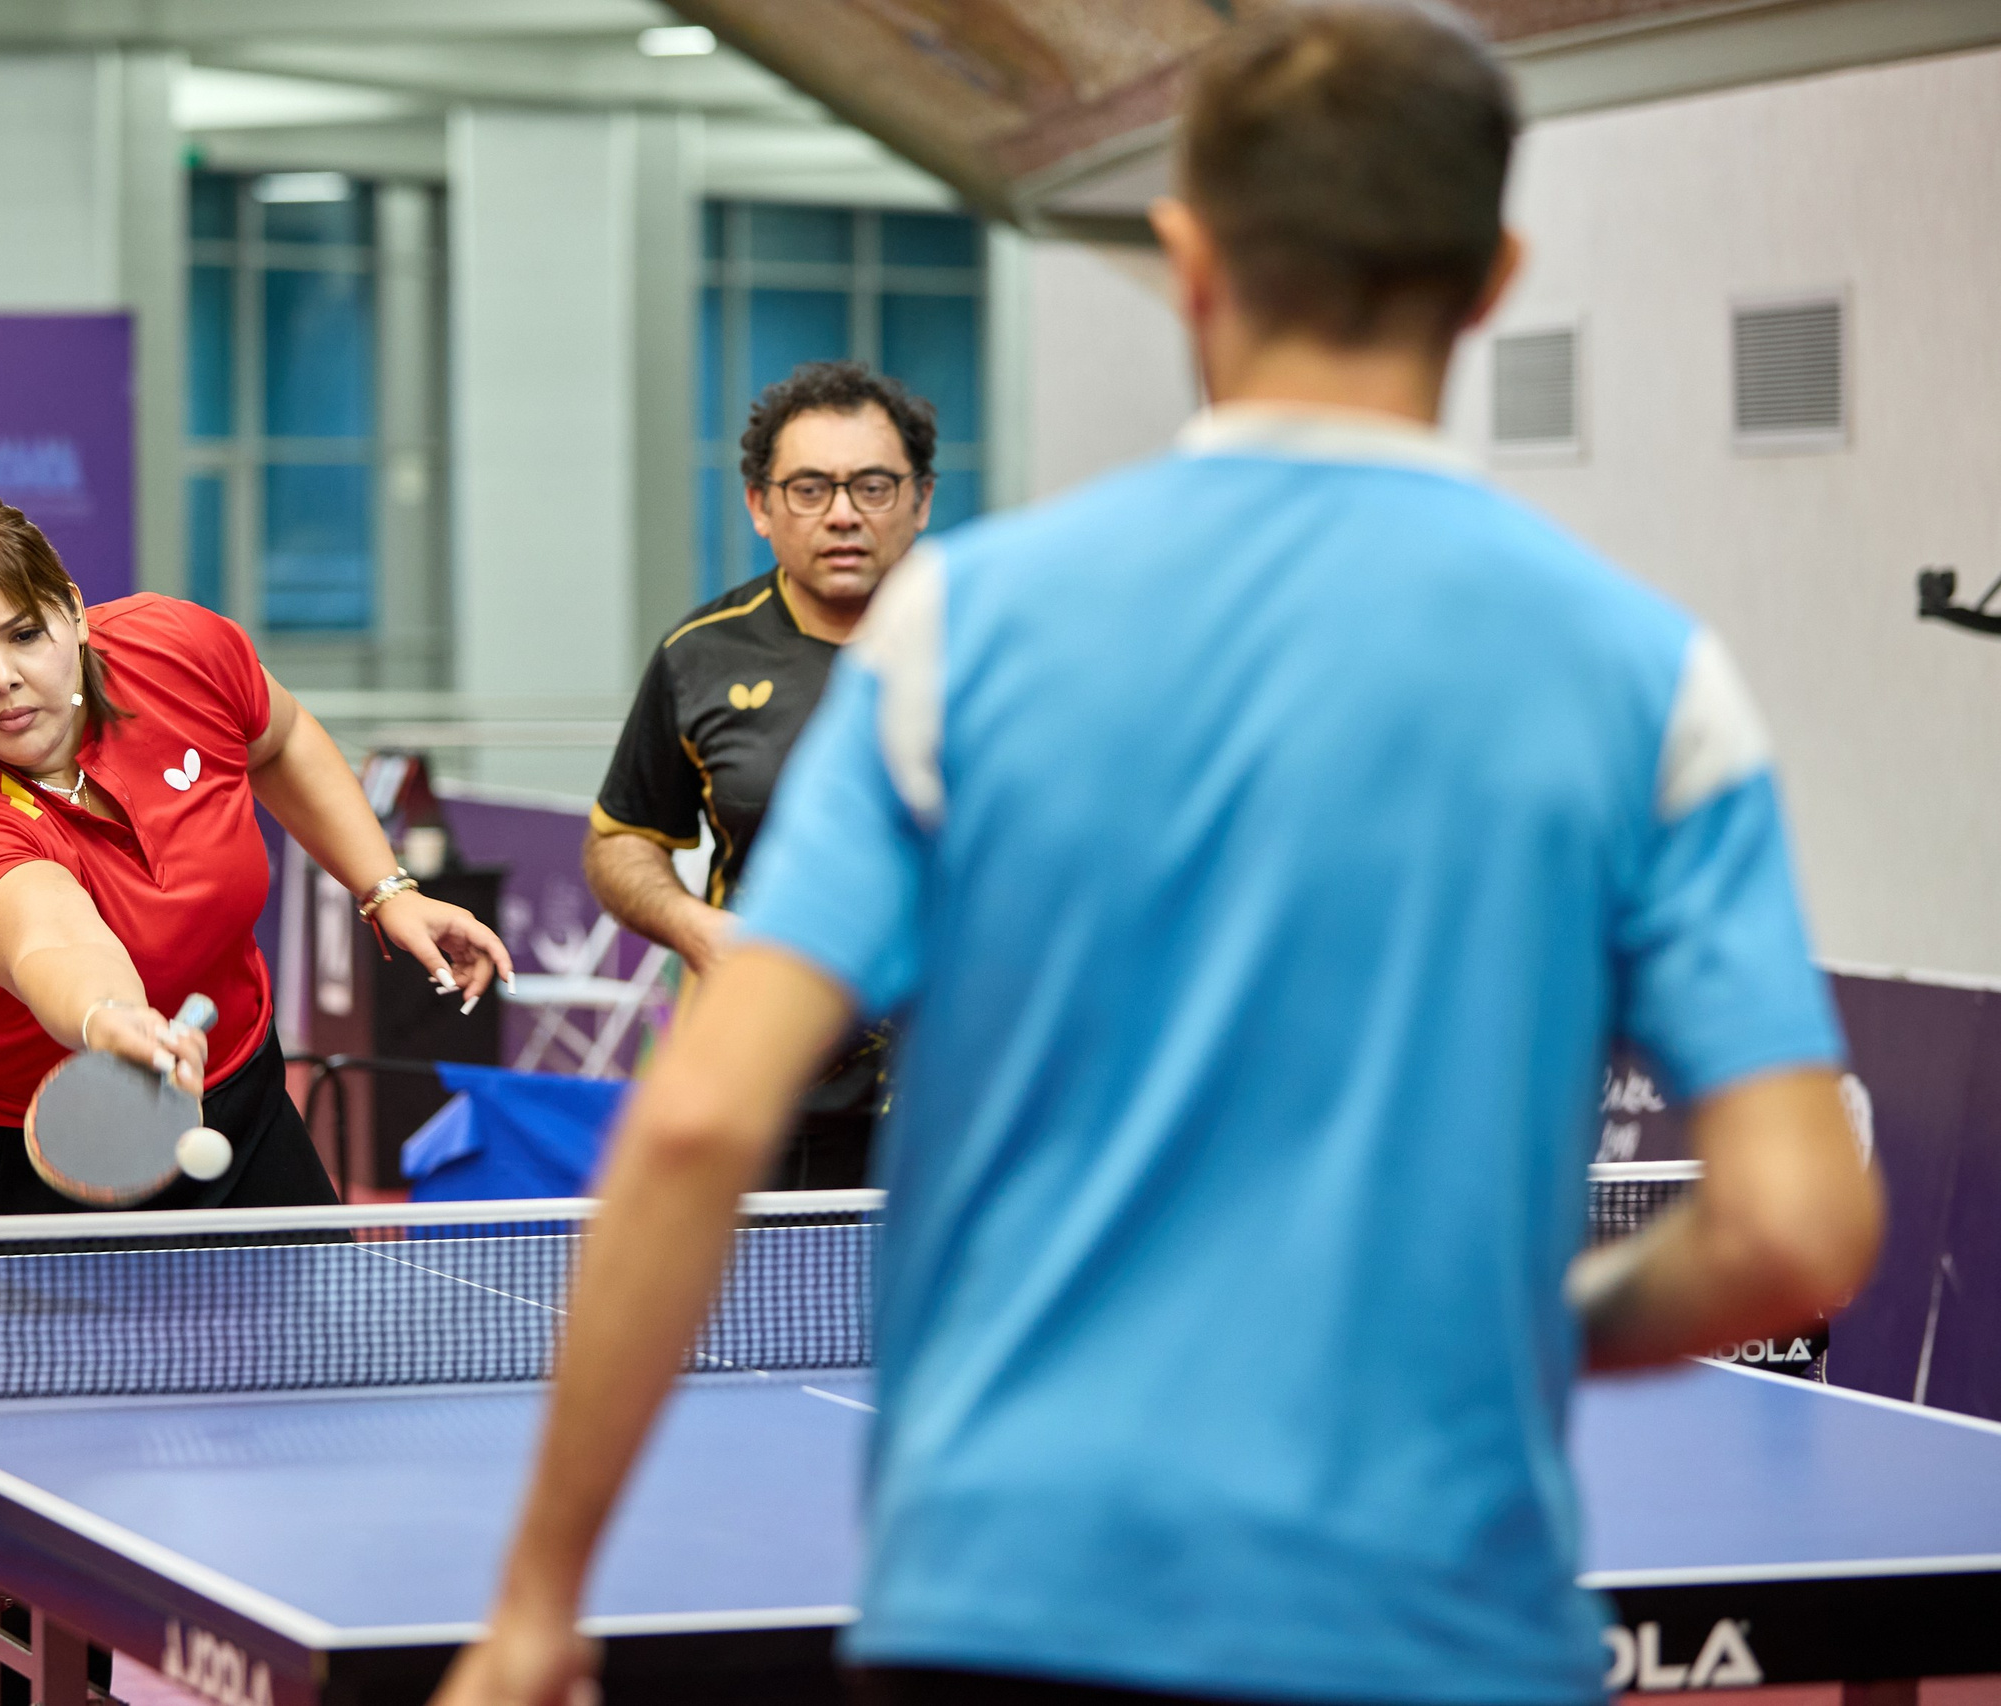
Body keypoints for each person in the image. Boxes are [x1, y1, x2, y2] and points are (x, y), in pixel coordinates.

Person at [438, 7, 1885, 1706]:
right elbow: (1796, 1226)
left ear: (1188, 260)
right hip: (1442, 1619)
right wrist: (1521, 1333)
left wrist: (540, 1597)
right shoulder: (1651, 678)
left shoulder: (963, 637)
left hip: (1021, 1600)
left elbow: (690, 1125)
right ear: (1495, 276)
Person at [0, 490, 511, 1217]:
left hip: (235, 1090)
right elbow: (52, 939)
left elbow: (281, 738)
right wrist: (112, 1018)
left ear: (76, 613)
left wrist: (387, 888)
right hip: (17, 1154)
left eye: (24, 634)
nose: (0, 677)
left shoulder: (175, 650)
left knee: (321, 1329)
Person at [587, 360, 936, 1187]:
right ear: (760, 507)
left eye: (874, 487)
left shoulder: (996, 645)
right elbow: (621, 841)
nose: (844, 514)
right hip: (775, 1090)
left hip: (962, 1088)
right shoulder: (699, 656)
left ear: (920, 501)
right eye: (810, 488)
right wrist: (694, 927)